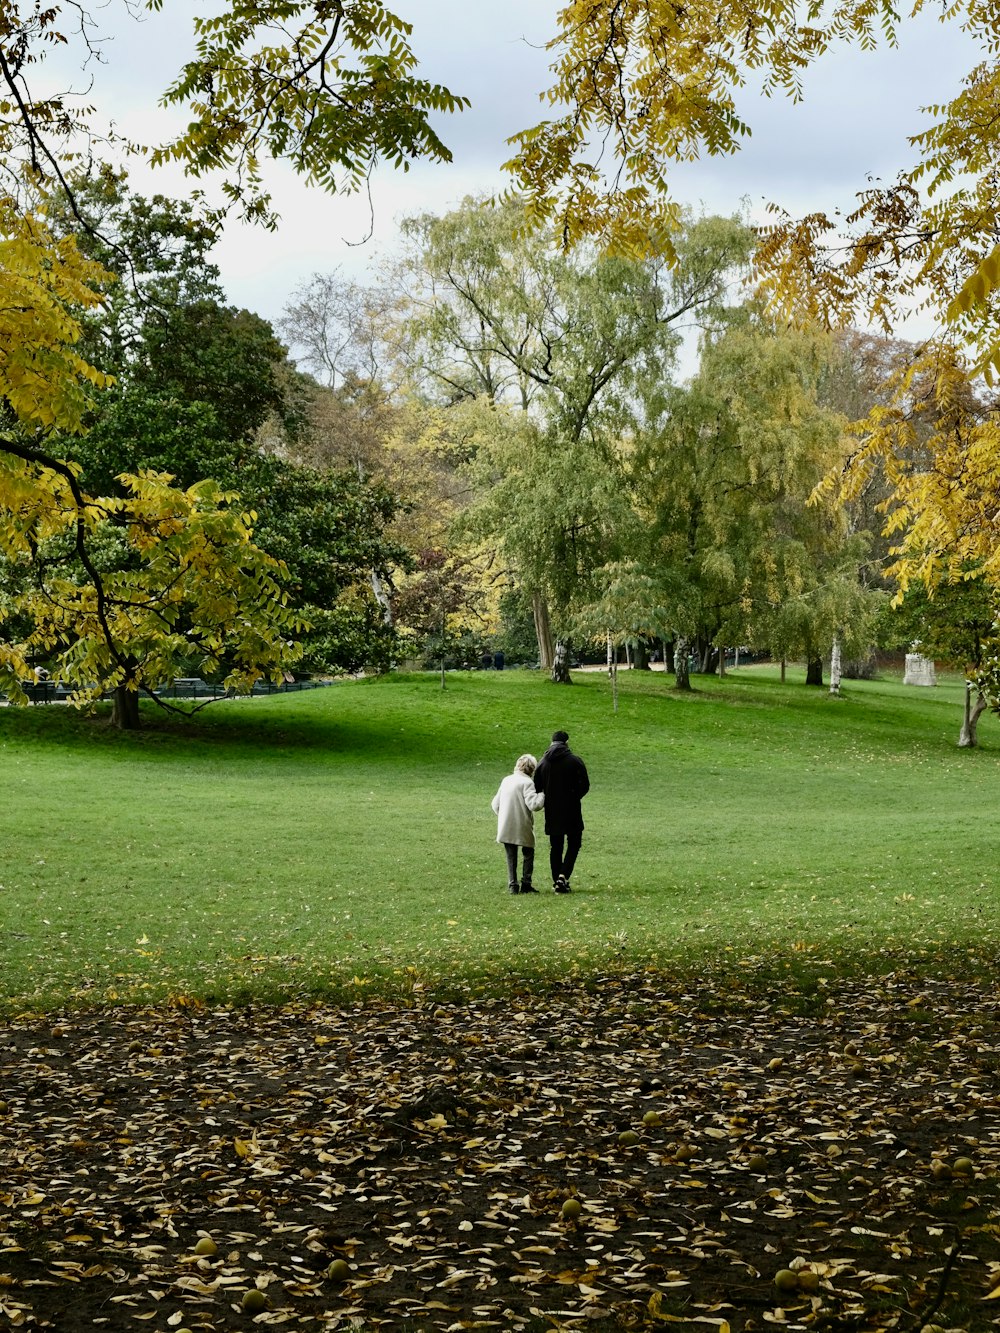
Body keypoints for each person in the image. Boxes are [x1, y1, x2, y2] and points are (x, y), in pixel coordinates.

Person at [533, 729, 590, 893]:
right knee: (574, 843)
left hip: (552, 811)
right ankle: (563, 877)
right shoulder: (575, 760)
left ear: (552, 743)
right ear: (566, 742)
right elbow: (585, 785)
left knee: (556, 846)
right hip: (572, 809)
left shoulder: (543, 762)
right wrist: (574, 796)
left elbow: (537, 787)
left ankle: (556, 879)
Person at [491, 754, 545, 895]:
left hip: (506, 824)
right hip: (522, 824)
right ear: (531, 769)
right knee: (528, 852)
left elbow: (495, 804)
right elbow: (534, 805)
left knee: (511, 855)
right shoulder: (527, 783)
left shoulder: (506, 780)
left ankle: (512, 885)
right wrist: (542, 795)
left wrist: (503, 816)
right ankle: (526, 883)